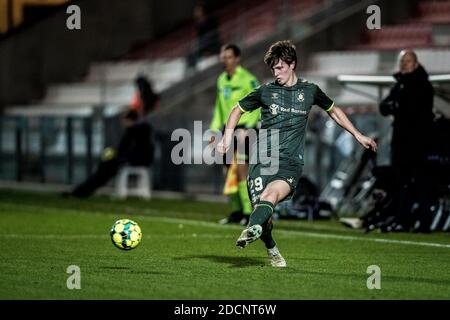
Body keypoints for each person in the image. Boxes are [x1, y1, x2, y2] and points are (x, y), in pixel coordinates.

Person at [217, 40, 377, 267]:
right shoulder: (265, 92)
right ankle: (270, 247)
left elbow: (334, 111)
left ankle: (250, 229)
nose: (276, 72)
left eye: (280, 67)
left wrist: (358, 135)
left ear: (292, 64)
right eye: (273, 68)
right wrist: (227, 136)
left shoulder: (310, 91)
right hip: (263, 161)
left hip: (290, 163)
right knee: (265, 214)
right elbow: (237, 110)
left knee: (269, 198)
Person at [379, 49, 435, 232]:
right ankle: (404, 220)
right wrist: (397, 107)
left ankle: (424, 223)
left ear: (416, 64)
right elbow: (384, 106)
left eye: (408, 61)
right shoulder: (400, 84)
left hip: (419, 143)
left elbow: (411, 110)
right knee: (402, 182)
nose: (404, 65)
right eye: (402, 61)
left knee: (420, 182)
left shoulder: (423, 85)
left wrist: (396, 107)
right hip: (401, 142)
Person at [210, 44, 260, 225]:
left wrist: (248, 127)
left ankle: (248, 212)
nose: (225, 60)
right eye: (223, 57)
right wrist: (214, 129)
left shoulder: (248, 79)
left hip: (244, 128)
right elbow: (219, 106)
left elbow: (258, 104)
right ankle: (236, 211)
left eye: (229, 57)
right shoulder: (222, 80)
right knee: (227, 171)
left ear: (237, 58)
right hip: (227, 129)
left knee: (241, 169)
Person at [65, 110, 154, 198]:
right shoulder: (143, 130)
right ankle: (81, 191)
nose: (122, 122)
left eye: (124, 120)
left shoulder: (133, 131)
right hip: (135, 160)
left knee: (103, 170)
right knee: (103, 170)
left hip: (132, 161)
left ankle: (81, 191)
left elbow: (123, 149)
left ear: (129, 120)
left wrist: (113, 156)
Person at [186, 3, 221, 72]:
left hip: (212, 40)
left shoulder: (211, 19)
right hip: (203, 43)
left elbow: (215, 32)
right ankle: (192, 69)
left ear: (202, 10)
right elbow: (199, 37)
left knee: (200, 45)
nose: (196, 13)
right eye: (195, 12)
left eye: (198, 11)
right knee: (190, 54)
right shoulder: (198, 25)